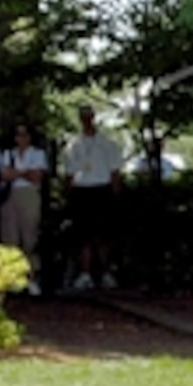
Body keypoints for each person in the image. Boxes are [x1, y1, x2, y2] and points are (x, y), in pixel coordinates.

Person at [64, 104, 122, 290]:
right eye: (83, 116)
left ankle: (105, 273)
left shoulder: (107, 144)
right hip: (83, 191)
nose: (86, 120)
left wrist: (115, 194)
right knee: (83, 236)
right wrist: (70, 195)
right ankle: (85, 273)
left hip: (102, 189)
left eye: (89, 116)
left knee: (104, 235)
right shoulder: (74, 145)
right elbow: (70, 175)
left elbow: (115, 173)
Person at [0, 123, 48, 296]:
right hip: (11, 194)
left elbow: (38, 176)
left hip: (29, 195)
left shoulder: (38, 154)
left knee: (30, 235)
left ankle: (32, 277)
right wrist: (25, 173)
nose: (21, 138)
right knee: (11, 236)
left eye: (24, 135)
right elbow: (5, 174)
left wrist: (17, 173)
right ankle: (14, 277)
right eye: (18, 135)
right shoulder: (8, 154)